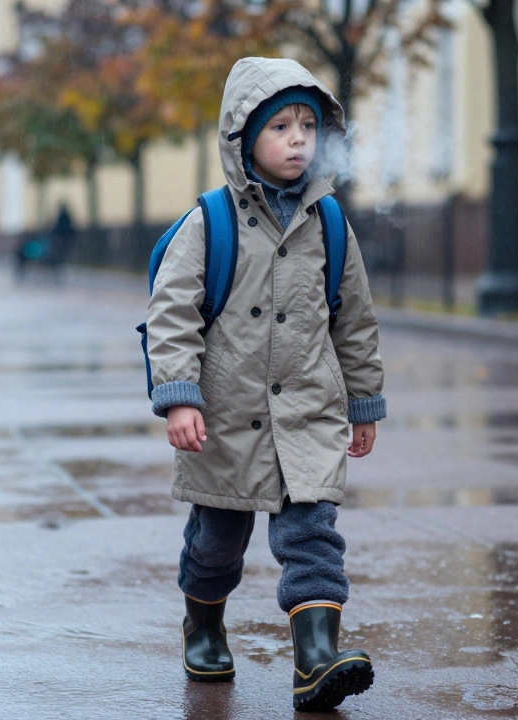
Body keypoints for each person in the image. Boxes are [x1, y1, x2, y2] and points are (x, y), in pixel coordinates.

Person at [144, 57, 386, 712]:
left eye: (308, 124)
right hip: (223, 414)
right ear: (243, 137)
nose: (299, 138)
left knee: (313, 536)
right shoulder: (211, 222)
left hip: (307, 411)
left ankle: (315, 659)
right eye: (280, 125)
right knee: (217, 542)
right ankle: (204, 624)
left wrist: (363, 402)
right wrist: (178, 396)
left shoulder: (330, 224)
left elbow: (355, 321)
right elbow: (171, 315)